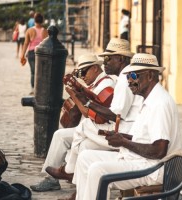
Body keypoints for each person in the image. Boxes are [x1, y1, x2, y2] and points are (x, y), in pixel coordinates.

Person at [71, 53, 182, 200]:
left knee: (98, 170)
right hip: (140, 160)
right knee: (85, 157)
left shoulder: (159, 103)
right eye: (128, 76)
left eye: (134, 76)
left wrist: (124, 142)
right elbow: (145, 138)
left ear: (149, 75)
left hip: (153, 168)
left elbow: (159, 150)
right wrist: (122, 137)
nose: (129, 81)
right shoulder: (149, 99)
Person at [46, 38, 144, 200]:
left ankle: (70, 170)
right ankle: (79, 194)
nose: (105, 63)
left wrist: (87, 101)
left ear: (120, 59)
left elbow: (115, 115)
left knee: (84, 126)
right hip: (124, 130)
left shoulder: (125, 80)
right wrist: (85, 97)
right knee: (84, 146)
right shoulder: (122, 79)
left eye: (108, 59)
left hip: (126, 135)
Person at [30, 53, 116, 192]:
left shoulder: (106, 84)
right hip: (92, 127)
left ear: (95, 68)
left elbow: (93, 115)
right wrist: (78, 91)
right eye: (79, 73)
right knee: (60, 135)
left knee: (67, 138)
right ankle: (52, 178)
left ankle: (67, 176)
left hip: (99, 129)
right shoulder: (96, 84)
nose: (82, 76)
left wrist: (75, 96)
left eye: (83, 72)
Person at [20, 13, 48, 95]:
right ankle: (41, 89)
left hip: (32, 53)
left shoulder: (29, 30)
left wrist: (22, 55)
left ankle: (33, 89)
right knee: (41, 72)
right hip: (42, 54)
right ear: (42, 21)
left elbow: (26, 43)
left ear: (34, 20)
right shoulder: (45, 31)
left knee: (33, 72)